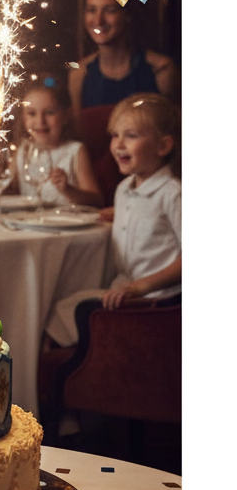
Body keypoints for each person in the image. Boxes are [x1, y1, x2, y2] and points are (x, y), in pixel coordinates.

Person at [44, 92, 180, 347]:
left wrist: (140, 287)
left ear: (163, 146)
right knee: (57, 307)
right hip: (124, 288)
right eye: (115, 135)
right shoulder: (125, 189)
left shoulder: (173, 193)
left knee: (75, 311)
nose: (118, 144)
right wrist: (117, 212)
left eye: (131, 136)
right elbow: (147, 216)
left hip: (156, 298)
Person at [68, 0, 179, 113]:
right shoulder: (79, 75)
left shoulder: (161, 71)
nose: (98, 21)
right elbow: (80, 133)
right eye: (91, 10)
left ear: (127, 15)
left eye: (110, 10)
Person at [13, 74, 103, 209]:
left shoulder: (75, 151)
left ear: (66, 116)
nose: (40, 121)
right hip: (30, 224)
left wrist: (68, 189)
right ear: (23, 117)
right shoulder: (23, 150)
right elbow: (10, 189)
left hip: (67, 224)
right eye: (32, 113)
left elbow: (96, 200)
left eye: (49, 113)